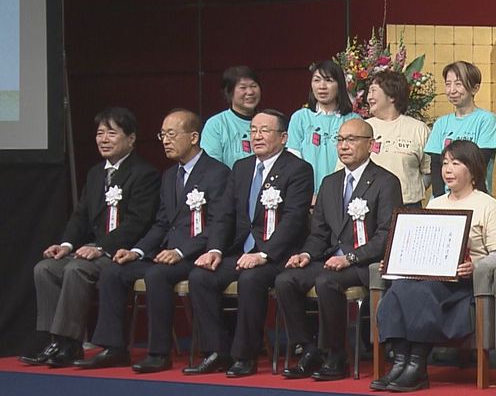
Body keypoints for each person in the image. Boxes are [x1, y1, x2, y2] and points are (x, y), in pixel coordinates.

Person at [75, 109, 231, 373]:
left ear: (194, 137)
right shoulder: (170, 175)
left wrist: (181, 251)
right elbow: (161, 223)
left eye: (172, 134)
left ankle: (159, 353)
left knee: (158, 275)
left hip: (198, 254)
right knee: (115, 270)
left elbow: (219, 223)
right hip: (165, 253)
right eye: (162, 135)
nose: (165, 141)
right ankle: (114, 348)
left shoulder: (217, 173)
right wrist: (136, 250)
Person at [21, 108, 159, 368]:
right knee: (46, 268)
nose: (103, 139)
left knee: (77, 269)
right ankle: (58, 343)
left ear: (130, 139)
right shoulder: (96, 174)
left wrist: (101, 248)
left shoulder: (145, 174)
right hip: (91, 250)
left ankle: (68, 341)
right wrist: (65, 245)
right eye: (99, 133)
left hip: (122, 253)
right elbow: (81, 215)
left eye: (111, 133)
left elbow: (139, 222)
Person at [184, 109, 314, 377]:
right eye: (253, 131)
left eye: (265, 131)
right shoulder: (241, 168)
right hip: (241, 251)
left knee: (251, 279)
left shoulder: (298, 169)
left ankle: (245, 355)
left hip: (278, 255)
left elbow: (294, 220)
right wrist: (215, 249)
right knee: (201, 277)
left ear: (283, 137)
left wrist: (264, 254)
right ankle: (217, 351)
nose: (257, 136)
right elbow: (225, 215)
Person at [373, 140, 496, 393]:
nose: (448, 169)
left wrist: (475, 265)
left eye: (456, 163)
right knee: (400, 287)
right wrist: (394, 261)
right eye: (445, 163)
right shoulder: (435, 203)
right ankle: (400, 361)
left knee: (421, 292)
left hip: (462, 284)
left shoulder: (489, 206)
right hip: (429, 277)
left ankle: (417, 364)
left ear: (473, 169)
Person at [276, 118, 402, 381]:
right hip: (330, 259)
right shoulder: (330, 183)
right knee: (286, 279)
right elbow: (319, 233)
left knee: (327, 282)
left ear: (370, 145)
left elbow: (386, 236)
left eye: (352, 140)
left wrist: (351, 258)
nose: (344, 146)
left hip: (364, 263)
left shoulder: (385, 182)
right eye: (340, 140)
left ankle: (336, 355)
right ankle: (308, 349)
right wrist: (306, 254)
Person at [424, 61, 496, 196]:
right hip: (444, 200)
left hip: (475, 197)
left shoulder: (487, 120)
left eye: (458, 84)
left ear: (475, 88)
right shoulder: (441, 123)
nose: (452, 90)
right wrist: (441, 201)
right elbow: (436, 165)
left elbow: (480, 162)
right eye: (448, 84)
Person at [287, 59, 361, 187]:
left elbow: (358, 161)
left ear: (340, 85)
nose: (322, 86)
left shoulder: (354, 121)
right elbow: (294, 161)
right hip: (307, 192)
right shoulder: (300, 118)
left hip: (343, 191)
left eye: (328, 80)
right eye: (317, 80)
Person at [365, 69, 430, 208]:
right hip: (369, 206)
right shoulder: (364, 127)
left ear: (392, 96)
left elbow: (428, 171)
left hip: (408, 207)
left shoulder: (418, 129)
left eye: (373, 91)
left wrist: (412, 192)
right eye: (369, 92)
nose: (369, 97)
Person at [200, 65, 262, 169]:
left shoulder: (270, 121)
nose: (250, 92)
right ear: (229, 92)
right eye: (243, 87)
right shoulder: (216, 124)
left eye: (254, 86)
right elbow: (211, 168)